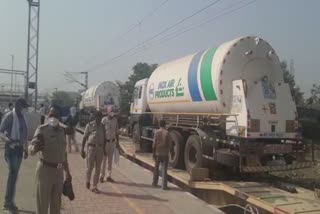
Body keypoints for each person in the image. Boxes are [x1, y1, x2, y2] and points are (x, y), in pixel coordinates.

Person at [29, 106, 72, 214]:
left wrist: (68, 173)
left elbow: (64, 154)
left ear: (59, 117)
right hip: (45, 171)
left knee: (56, 206)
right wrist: (35, 148)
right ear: (48, 116)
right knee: (42, 206)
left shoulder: (62, 131)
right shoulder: (41, 130)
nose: (53, 118)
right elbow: (31, 150)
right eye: (51, 115)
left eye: (56, 115)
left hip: (59, 173)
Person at [0, 98, 29, 212]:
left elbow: (25, 134)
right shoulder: (9, 116)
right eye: (23, 106)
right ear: (17, 105)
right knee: (13, 174)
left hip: (19, 150)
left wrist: (26, 149)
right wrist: (7, 139)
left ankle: (9, 201)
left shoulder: (23, 117)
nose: (24, 109)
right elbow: (1, 131)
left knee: (14, 175)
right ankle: (8, 202)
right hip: (11, 149)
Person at [81, 111, 105, 193]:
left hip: (100, 149)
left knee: (98, 168)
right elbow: (84, 138)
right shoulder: (89, 125)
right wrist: (82, 150)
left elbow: (104, 139)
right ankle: (88, 180)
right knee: (90, 167)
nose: (99, 119)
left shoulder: (102, 126)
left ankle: (95, 186)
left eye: (100, 117)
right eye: (98, 117)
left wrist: (104, 150)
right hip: (91, 148)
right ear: (95, 117)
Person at [100, 106, 119, 183]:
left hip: (112, 142)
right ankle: (101, 176)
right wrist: (102, 143)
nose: (112, 112)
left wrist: (118, 143)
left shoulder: (115, 120)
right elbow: (101, 132)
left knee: (110, 161)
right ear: (108, 112)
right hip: (105, 143)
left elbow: (116, 132)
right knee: (104, 160)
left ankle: (109, 176)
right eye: (111, 111)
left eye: (113, 111)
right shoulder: (104, 120)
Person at [152, 120, 172, 190]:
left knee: (156, 168)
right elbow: (170, 144)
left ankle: (154, 183)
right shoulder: (167, 133)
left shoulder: (156, 132)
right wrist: (170, 152)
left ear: (159, 125)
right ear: (165, 125)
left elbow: (154, 144)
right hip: (165, 153)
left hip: (158, 152)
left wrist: (153, 153)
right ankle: (164, 186)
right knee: (164, 170)